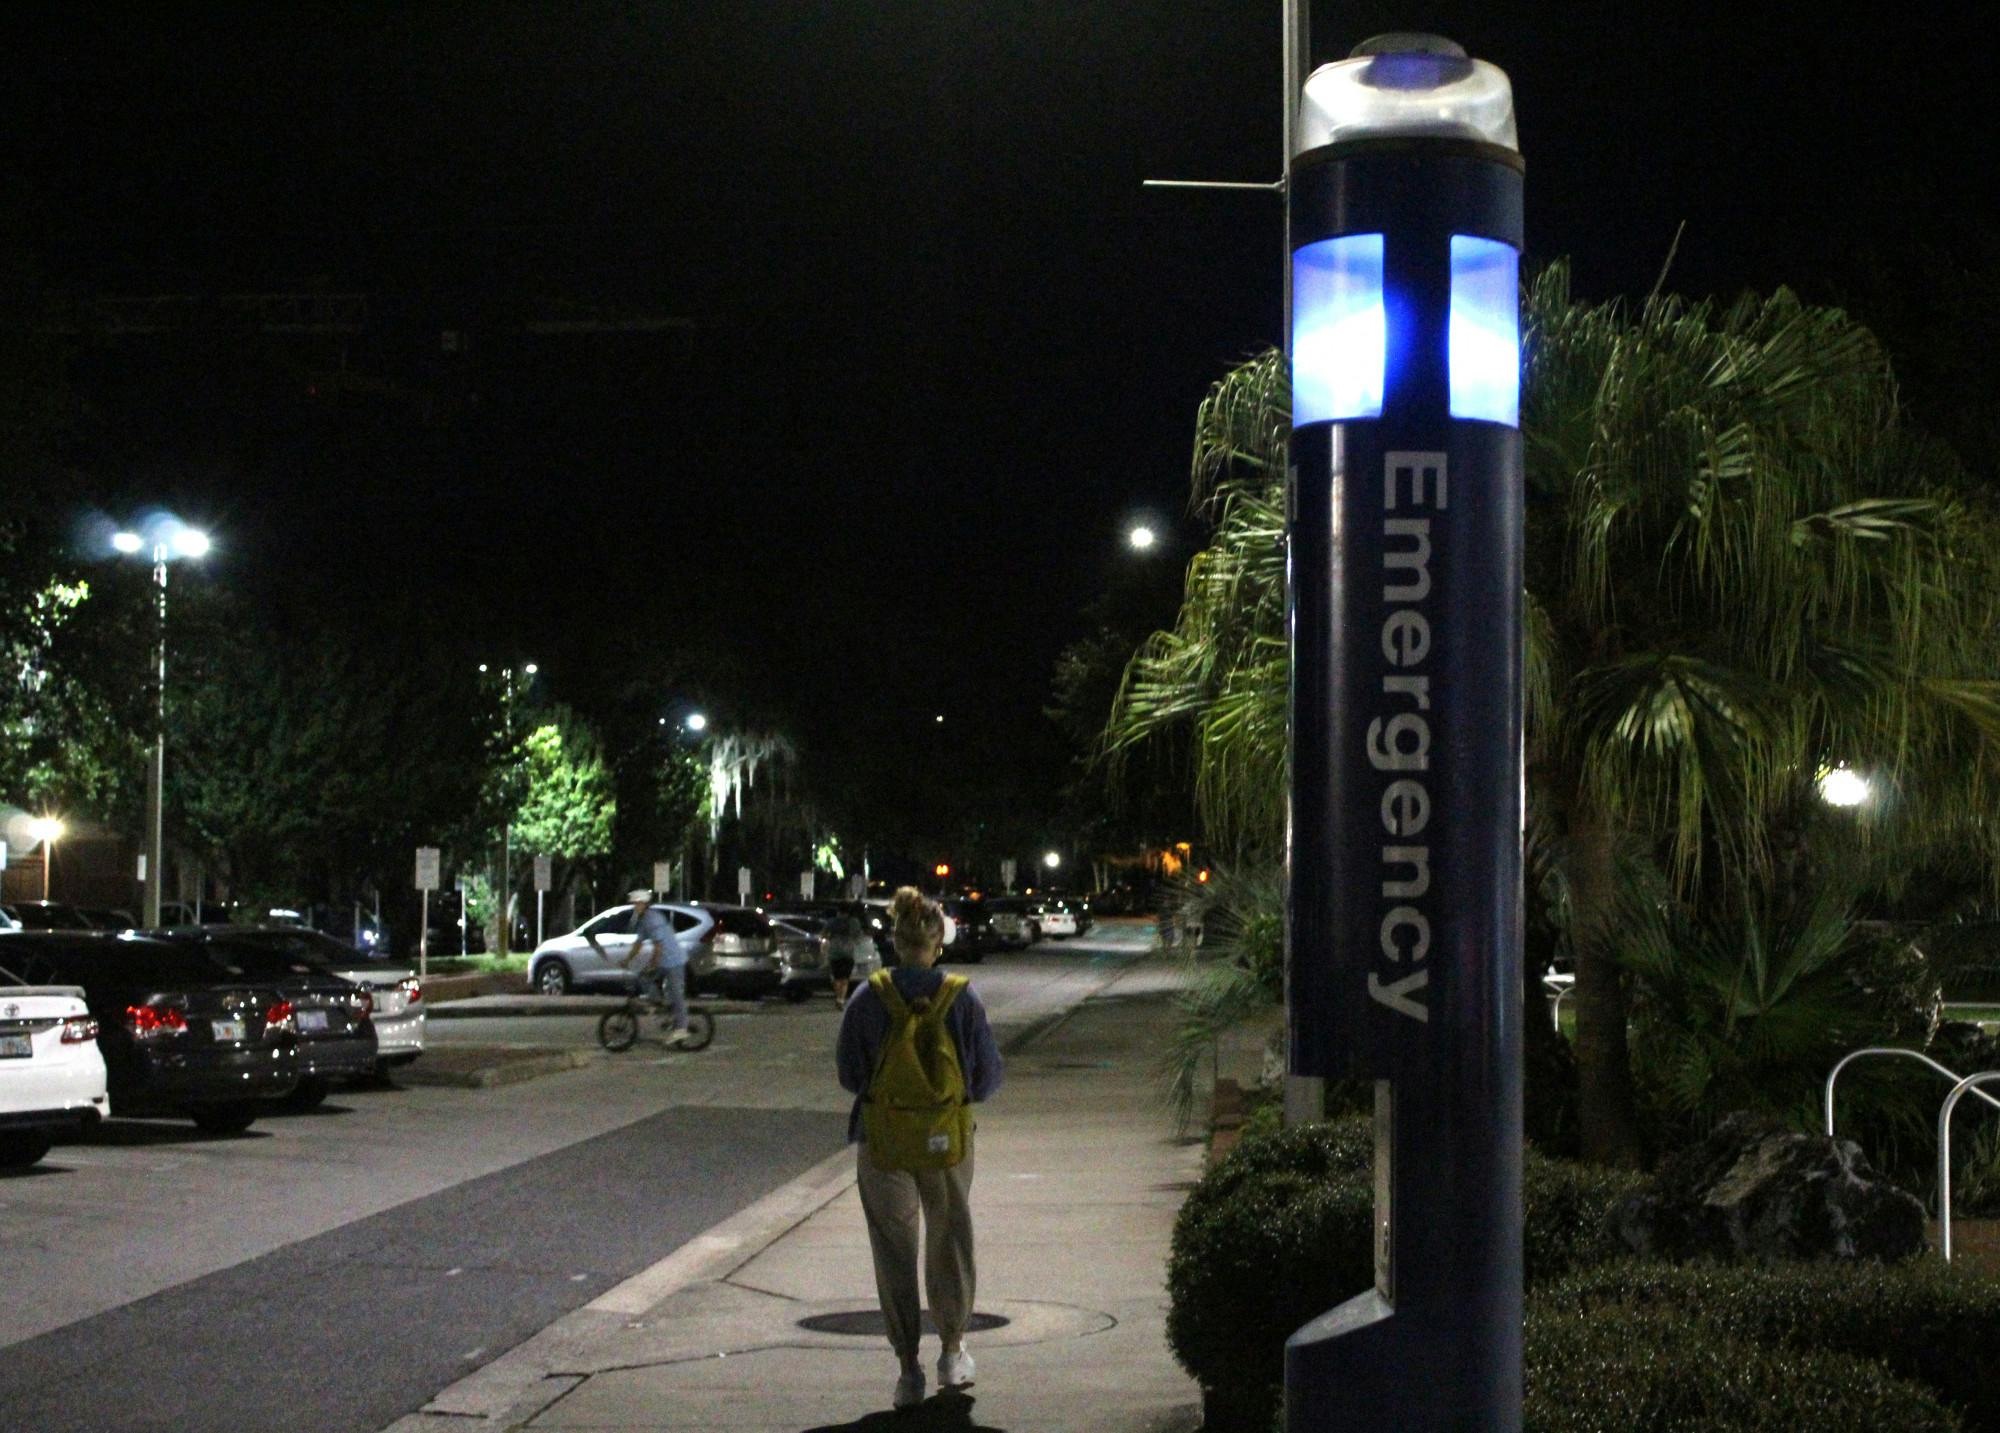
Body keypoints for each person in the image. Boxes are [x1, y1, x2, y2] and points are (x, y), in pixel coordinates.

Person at [836, 886, 1002, 1410]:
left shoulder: (868, 997)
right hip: (947, 1138)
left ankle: (908, 1368)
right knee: (949, 1235)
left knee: (894, 1248)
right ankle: (952, 1351)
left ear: (895, 939)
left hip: (882, 1140)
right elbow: (988, 1077)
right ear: (937, 943)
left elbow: (849, 1074)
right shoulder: (962, 997)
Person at [620, 888, 691, 1045]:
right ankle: (658, 1003)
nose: (634, 907)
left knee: (675, 993)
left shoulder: (653, 919)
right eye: (634, 904)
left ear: (644, 904)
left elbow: (658, 946)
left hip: (674, 960)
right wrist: (627, 960)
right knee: (642, 977)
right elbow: (638, 943)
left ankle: (682, 1028)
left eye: (637, 904)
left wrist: (652, 965)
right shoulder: (644, 919)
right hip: (664, 960)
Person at [825, 910, 869, 1004]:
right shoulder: (854, 922)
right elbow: (859, 936)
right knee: (845, 978)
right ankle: (841, 999)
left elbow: (824, 934)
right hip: (848, 952)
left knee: (837, 978)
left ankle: (838, 997)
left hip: (834, 952)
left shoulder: (832, 922)